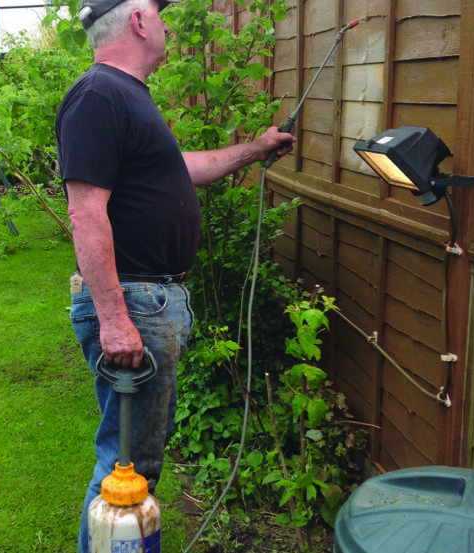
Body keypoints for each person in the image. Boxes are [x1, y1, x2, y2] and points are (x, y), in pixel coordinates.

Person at [54, 0, 295, 549]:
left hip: (148, 299)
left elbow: (182, 167)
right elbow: (84, 213)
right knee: (126, 470)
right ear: (139, 21)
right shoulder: (99, 95)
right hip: (135, 301)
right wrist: (115, 321)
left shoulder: (126, 98)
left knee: (134, 465)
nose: (167, 25)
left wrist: (254, 149)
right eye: (160, 15)